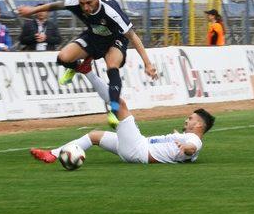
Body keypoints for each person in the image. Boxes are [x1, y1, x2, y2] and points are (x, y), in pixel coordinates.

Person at [17, 0, 158, 127]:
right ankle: (80, 67)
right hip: (94, 35)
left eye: (89, 2)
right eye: (82, 3)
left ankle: (114, 110)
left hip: (115, 39)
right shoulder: (75, 3)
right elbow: (54, 6)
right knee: (63, 58)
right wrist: (31, 11)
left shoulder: (110, 11)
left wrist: (147, 63)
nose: (85, 7)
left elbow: (133, 36)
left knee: (112, 66)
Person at [31, 57, 215, 165]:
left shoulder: (193, 141)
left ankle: (87, 71)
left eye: (190, 119)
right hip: (135, 148)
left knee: (121, 105)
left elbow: (193, 148)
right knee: (94, 136)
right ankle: (53, 154)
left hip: (139, 149)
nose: (186, 121)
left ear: (199, 124)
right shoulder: (185, 137)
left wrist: (187, 148)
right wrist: (177, 140)